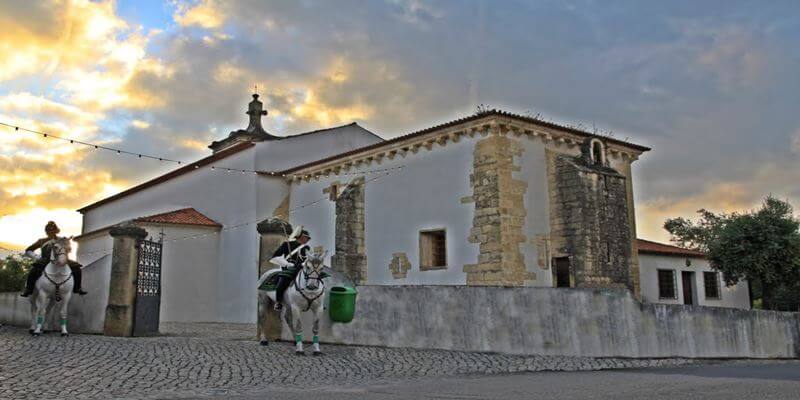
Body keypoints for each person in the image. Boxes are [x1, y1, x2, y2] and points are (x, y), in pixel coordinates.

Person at [20, 221, 87, 297]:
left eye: (52, 230)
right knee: (34, 270)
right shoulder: (41, 241)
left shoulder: (62, 239)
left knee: (77, 268)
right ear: (46, 231)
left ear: (56, 230)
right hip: (45, 259)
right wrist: (36, 257)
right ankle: (29, 289)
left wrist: (66, 249)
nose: (51, 232)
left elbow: (69, 248)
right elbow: (29, 250)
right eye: (49, 230)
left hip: (62, 259)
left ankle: (77, 288)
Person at [270, 229, 311, 311]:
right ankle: (278, 302)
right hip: (289, 269)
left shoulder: (307, 247)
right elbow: (274, 257)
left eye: (308, 238)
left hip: (302, 269)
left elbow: (308, 258)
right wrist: (287, 264)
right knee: (283, 281)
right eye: (306, 237)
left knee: (315, 279)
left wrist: (305, 264)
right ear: (300, 236)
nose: (307, 240)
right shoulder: (287, 245)